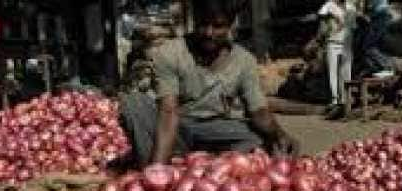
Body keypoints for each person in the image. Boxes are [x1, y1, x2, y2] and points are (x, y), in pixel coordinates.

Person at [119, 0, 298, 167]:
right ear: (194, 19)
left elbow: (258, 111)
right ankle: (188, 163)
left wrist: (280, 135)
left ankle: (192, 163)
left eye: (218, 26)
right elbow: (168, 111)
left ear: (231, 23)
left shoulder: (244, 61)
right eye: (203, 24)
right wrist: (158, 172)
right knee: (133, 103)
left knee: (258, 140)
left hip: (218, 130)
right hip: (178, 128)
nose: (208, 33)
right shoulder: (171, 53)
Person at [318, 0, 358, 120]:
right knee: (333, 72)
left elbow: (354, 26)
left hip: (347, 43)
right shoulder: (329, 4)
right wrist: (332, 18)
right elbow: (321, 16)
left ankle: (345, 99)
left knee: (346, 73)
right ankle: (335, 100)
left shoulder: (351, 7)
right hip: (332, 42)